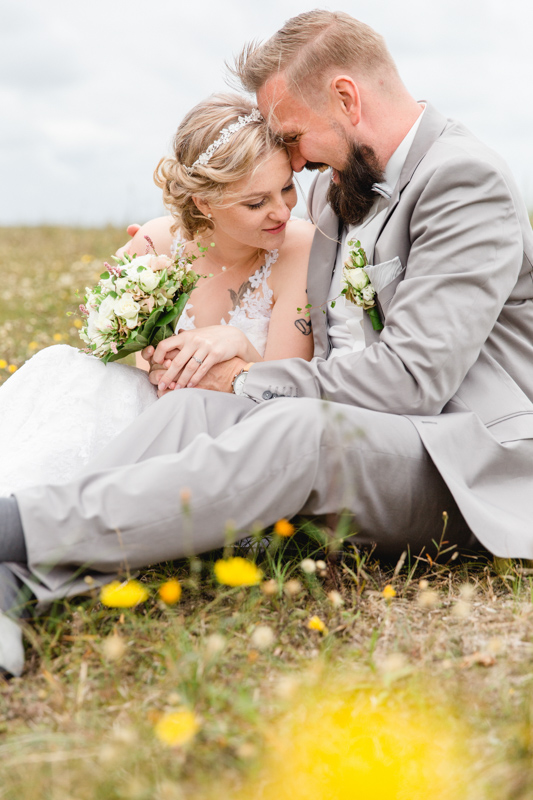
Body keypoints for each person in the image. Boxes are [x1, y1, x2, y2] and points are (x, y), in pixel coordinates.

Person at [2, 10, 533, 678]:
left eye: (292, 135)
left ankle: (12, 527)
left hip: (460, 455)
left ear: (345, 98)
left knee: (297, 431)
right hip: (366, 435)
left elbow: (411, 380)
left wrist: (245, 379)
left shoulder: (463, 181)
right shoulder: (339, 189)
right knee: (186, 411)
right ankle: (19, 583)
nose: (296, 162)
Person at [0, 92, 314, 497]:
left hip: (235, 437)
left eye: (287, 188)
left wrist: (239, 346)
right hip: (155, 413)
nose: (284, 212)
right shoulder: (156, 243)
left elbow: (290, 398)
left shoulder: (299, 249)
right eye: (257, 202)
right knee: (62, 365)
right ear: (205, 203)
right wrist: (141, 340)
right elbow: (113, 355)